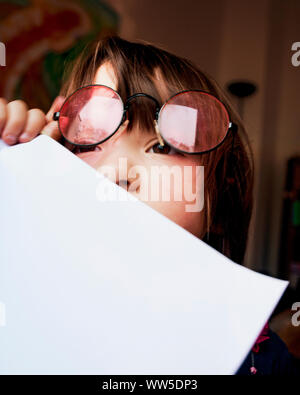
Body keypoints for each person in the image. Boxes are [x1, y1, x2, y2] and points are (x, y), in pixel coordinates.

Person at [0, 35, 298, 375]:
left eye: (162, 147)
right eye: (87, 141)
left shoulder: (259, 359)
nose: (119, 173)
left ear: (217, 202)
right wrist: (14, 161)